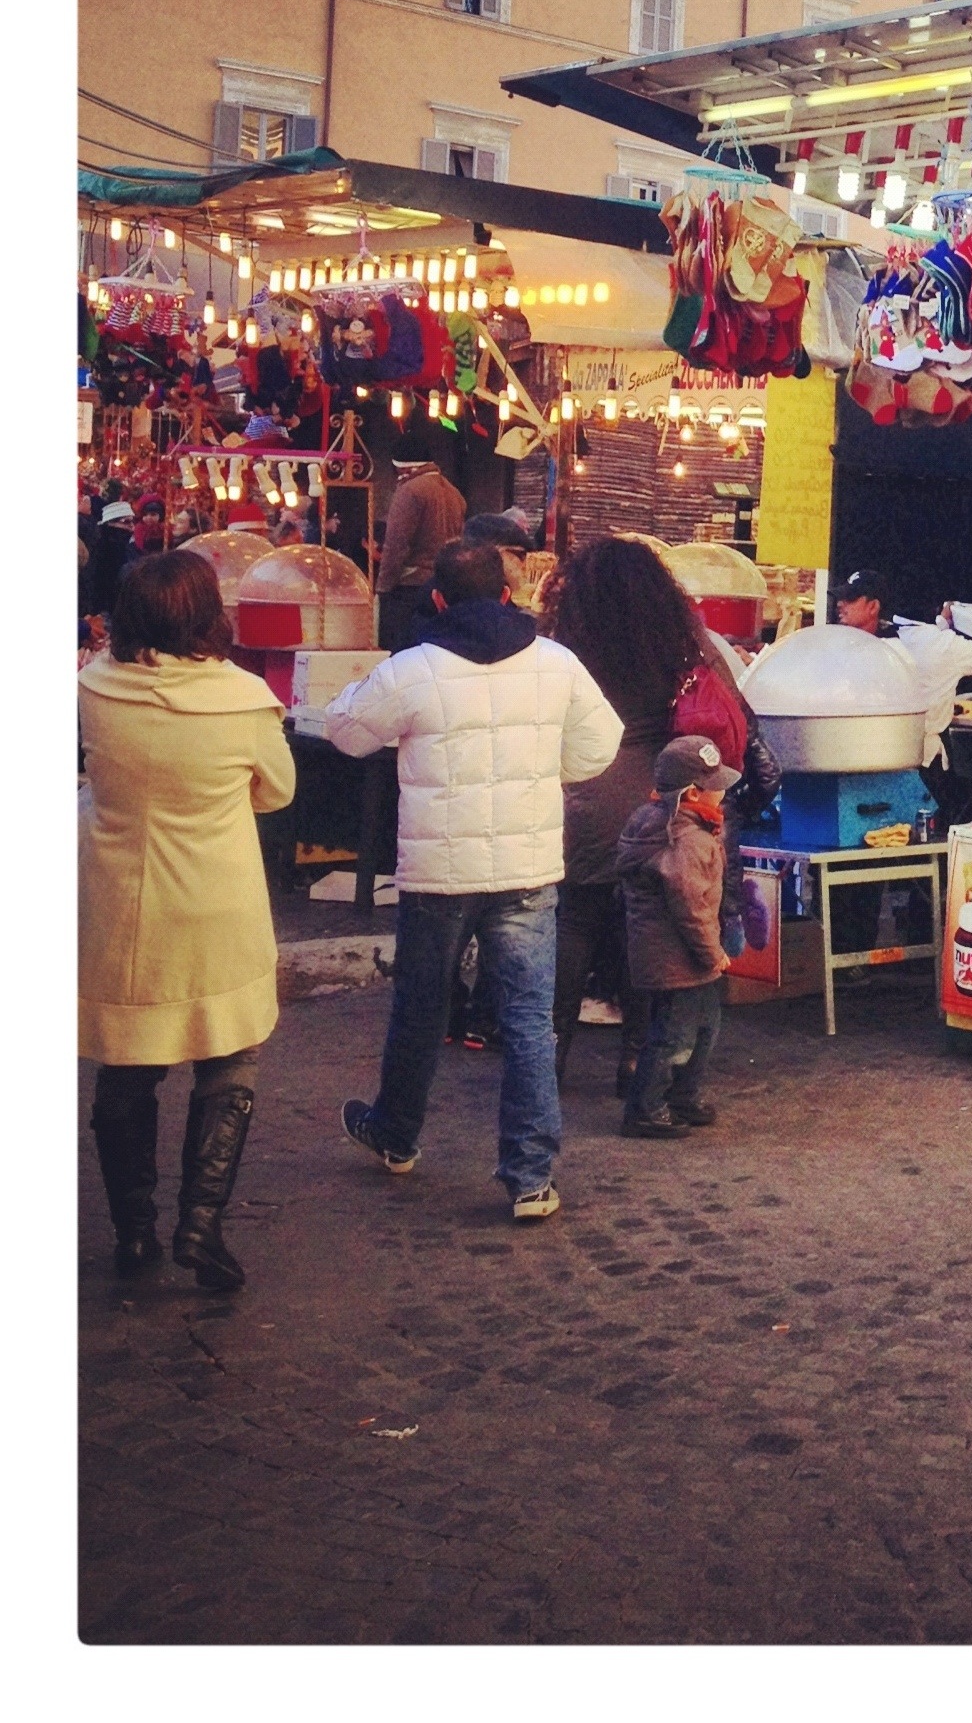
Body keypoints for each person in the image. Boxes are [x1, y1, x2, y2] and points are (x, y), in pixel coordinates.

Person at [325, 539, 623, 1222]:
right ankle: (530, 1176)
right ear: (507, 595)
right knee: (527, 1020)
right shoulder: (556, 664)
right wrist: (548, 773)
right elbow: (598, 744)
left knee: (421, 1009)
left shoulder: (412, 667)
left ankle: (396, 1132)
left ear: (437, 599)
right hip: (527, 868)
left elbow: (345, 732)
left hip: (439, 874)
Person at [80, 550, 296, 1290]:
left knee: (127, 1063)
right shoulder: (244, 700)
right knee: (229, 1057)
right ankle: (201, 1226)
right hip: (217, 902)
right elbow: (277, 791)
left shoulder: (92, 690)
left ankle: (133, 1231)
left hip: (122, 903)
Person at [540, 536, 760, 1091]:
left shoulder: (560, 645)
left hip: (578, 804)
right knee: (646, 934)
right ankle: (637, 1060)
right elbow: (736, 714)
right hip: (660, 806)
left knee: (574, 923)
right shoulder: (681, 642)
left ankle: (547, 1057)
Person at [834, 565, 972, 825]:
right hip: (882, 761)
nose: (840, 604)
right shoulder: (922, 642)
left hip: (914, 766)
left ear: (874, 607)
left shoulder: (914, 644)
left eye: (849, 599)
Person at [616, 737, 738, 1138]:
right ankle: (646, 1108)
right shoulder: (685, 839)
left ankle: (681, 1095)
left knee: (702, 1027)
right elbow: (691, 905)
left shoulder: (676, 826)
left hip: (677, 954)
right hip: (679, 956)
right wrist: (712, 952)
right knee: (675, 1035)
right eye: (716, 784)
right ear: (693, 793)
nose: (723, 792)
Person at [375, 458, 467, 652]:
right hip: (443, 584)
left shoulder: (409, 491)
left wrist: (383, 587)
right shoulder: (455, 493)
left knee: (400, 653)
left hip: (409, 587)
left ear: (403, 467)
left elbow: (396, 545)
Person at [87, 498, 138, 617]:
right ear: (111, 523)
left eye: (132, 521)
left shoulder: (127, 545)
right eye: (126, 522)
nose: (131, 526)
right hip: (110, 609)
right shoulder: (105, 548)